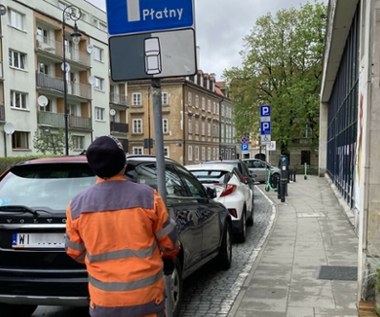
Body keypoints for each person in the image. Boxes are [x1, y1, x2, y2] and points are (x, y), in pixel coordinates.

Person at [65, 135, 180, 317]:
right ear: (123, 164)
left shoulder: (77, 206)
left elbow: (75, 252)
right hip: (147, 299)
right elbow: (169, 243)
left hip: (104, 301)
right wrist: (168, 258)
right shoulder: (148, 197)